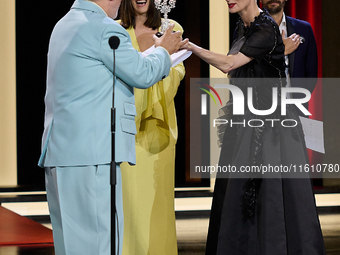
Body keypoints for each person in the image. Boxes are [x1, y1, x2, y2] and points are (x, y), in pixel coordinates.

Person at [37, 0, 187, 254]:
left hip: (59, 154)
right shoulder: (105, 29)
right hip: (92, 155)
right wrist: (164, 51)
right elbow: (142, 74)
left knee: (71, 246)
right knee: (99, 244)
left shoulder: (63, 25)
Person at [182, 0, 325, 254]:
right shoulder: (242, 26)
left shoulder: (265, 27)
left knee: (272, 193)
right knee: (239, 192)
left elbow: (229, 64)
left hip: (271, 125)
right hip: (244, 119)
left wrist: (191, 47)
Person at [117, 0, 184, 254]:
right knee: (128, 208)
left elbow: (177, 73)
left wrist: (156, 70)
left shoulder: (170, 28)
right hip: (126, 130)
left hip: (159, 132)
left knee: (158, 209)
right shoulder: (116, 32)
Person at [261, 0, 318, 114]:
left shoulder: (304, 29)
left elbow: (311, 74)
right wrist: (281, 51)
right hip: (261, 111)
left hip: (295, 111)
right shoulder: (248, 30)